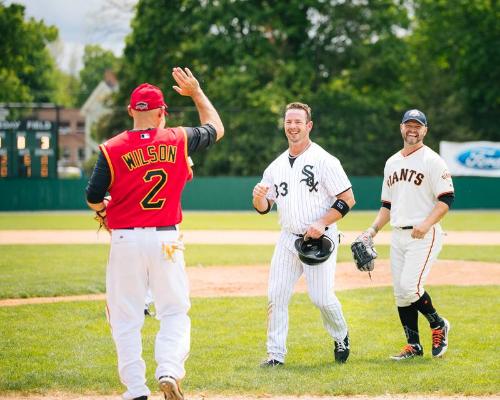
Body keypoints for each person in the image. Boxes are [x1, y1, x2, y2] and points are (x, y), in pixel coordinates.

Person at [85, 67, 224, 400]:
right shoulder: (177, 138)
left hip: (126, 241)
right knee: (174, 310)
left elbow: (93, 195)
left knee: (125, 316)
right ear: (162, 112)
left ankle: (135, 389)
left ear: (131, 110)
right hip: (167, 239)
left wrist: (104, 210)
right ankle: (169, 370)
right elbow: (216, 129)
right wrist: (196, 93)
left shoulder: (112, 147)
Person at [252, 102, 356, 366]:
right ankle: (275, 355)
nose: (293, 126)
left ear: (308, 126)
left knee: (321, 298)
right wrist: (259, 199)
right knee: (276, 296)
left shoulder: (325, 160)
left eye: (298, 122)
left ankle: (341, 335)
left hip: (322, 237)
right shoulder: (275, 166)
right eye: (289, 122)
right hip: (289, 238)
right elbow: (264, 208)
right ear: (284, 126)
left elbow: (348, 199)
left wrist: (322, 221)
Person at [357, 109, 454, 360]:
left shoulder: (432, 161)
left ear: (425, 130)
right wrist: (372, 230)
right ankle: (414, 345)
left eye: (418, 126)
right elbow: (387, 206)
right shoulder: (392, 162)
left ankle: (438, 323)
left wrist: (426, 223)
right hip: (398, 234)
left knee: (411, 287)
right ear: (401, 128)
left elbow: (446, 199)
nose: (413, 129)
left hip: (424, 234)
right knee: (400, 294)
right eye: (408, 125)